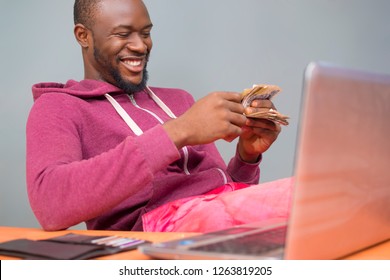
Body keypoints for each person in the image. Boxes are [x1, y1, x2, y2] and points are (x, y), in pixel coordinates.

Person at [26, 0, 287, 232]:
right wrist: (177, 131)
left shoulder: (179, 99)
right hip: (152, 232)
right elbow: (50, 206)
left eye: (146, 33)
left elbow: (223, 194)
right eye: (123, 34)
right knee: (297, 203)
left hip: (209, 222)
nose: (141, 46)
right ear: (84, 35)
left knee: (316, 199)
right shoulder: (58, 106)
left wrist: (247, 158)